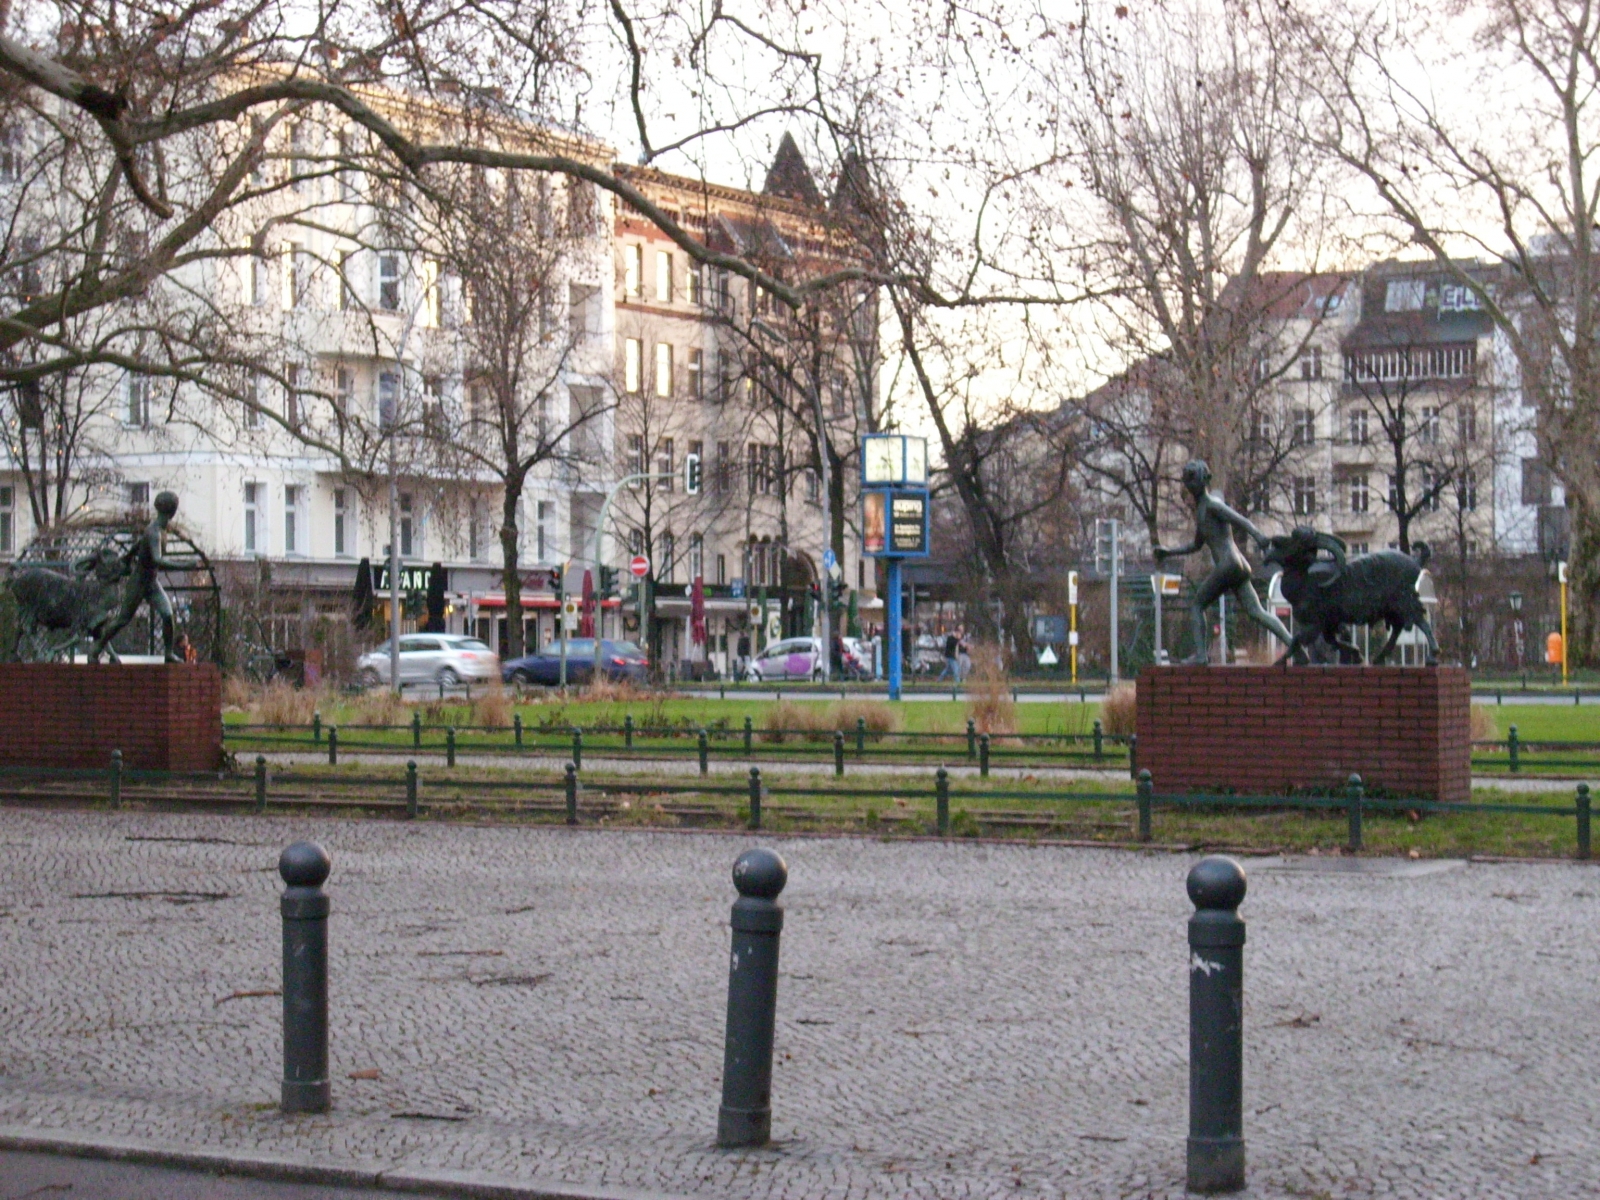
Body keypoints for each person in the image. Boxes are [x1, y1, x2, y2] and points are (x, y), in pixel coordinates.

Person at [1153, 460, 1292, 664]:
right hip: (1238, 565)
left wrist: (1259, 537)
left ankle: (1201, 656)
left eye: (1193, 480)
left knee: (1197, 605)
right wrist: (1169, 551)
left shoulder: (1212, 505)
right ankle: (1294, 645)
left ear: (1203, 481)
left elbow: (1240, 520)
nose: (1190, 486)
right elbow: (1196, 545)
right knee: (1256, 612)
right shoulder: (1202, 511)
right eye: (1188, 482)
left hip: (1228, 564)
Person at [91, 490, 187, 663]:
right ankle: (97, 647)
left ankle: (168, 653)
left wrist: (128, 557)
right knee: (122, 620)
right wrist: (185, 565)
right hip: (138, 582)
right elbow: (157, 560)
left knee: (167, 615)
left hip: (152, 582)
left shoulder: (159, 530)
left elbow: (140, 544)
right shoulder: (154, 532)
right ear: (172, 511)